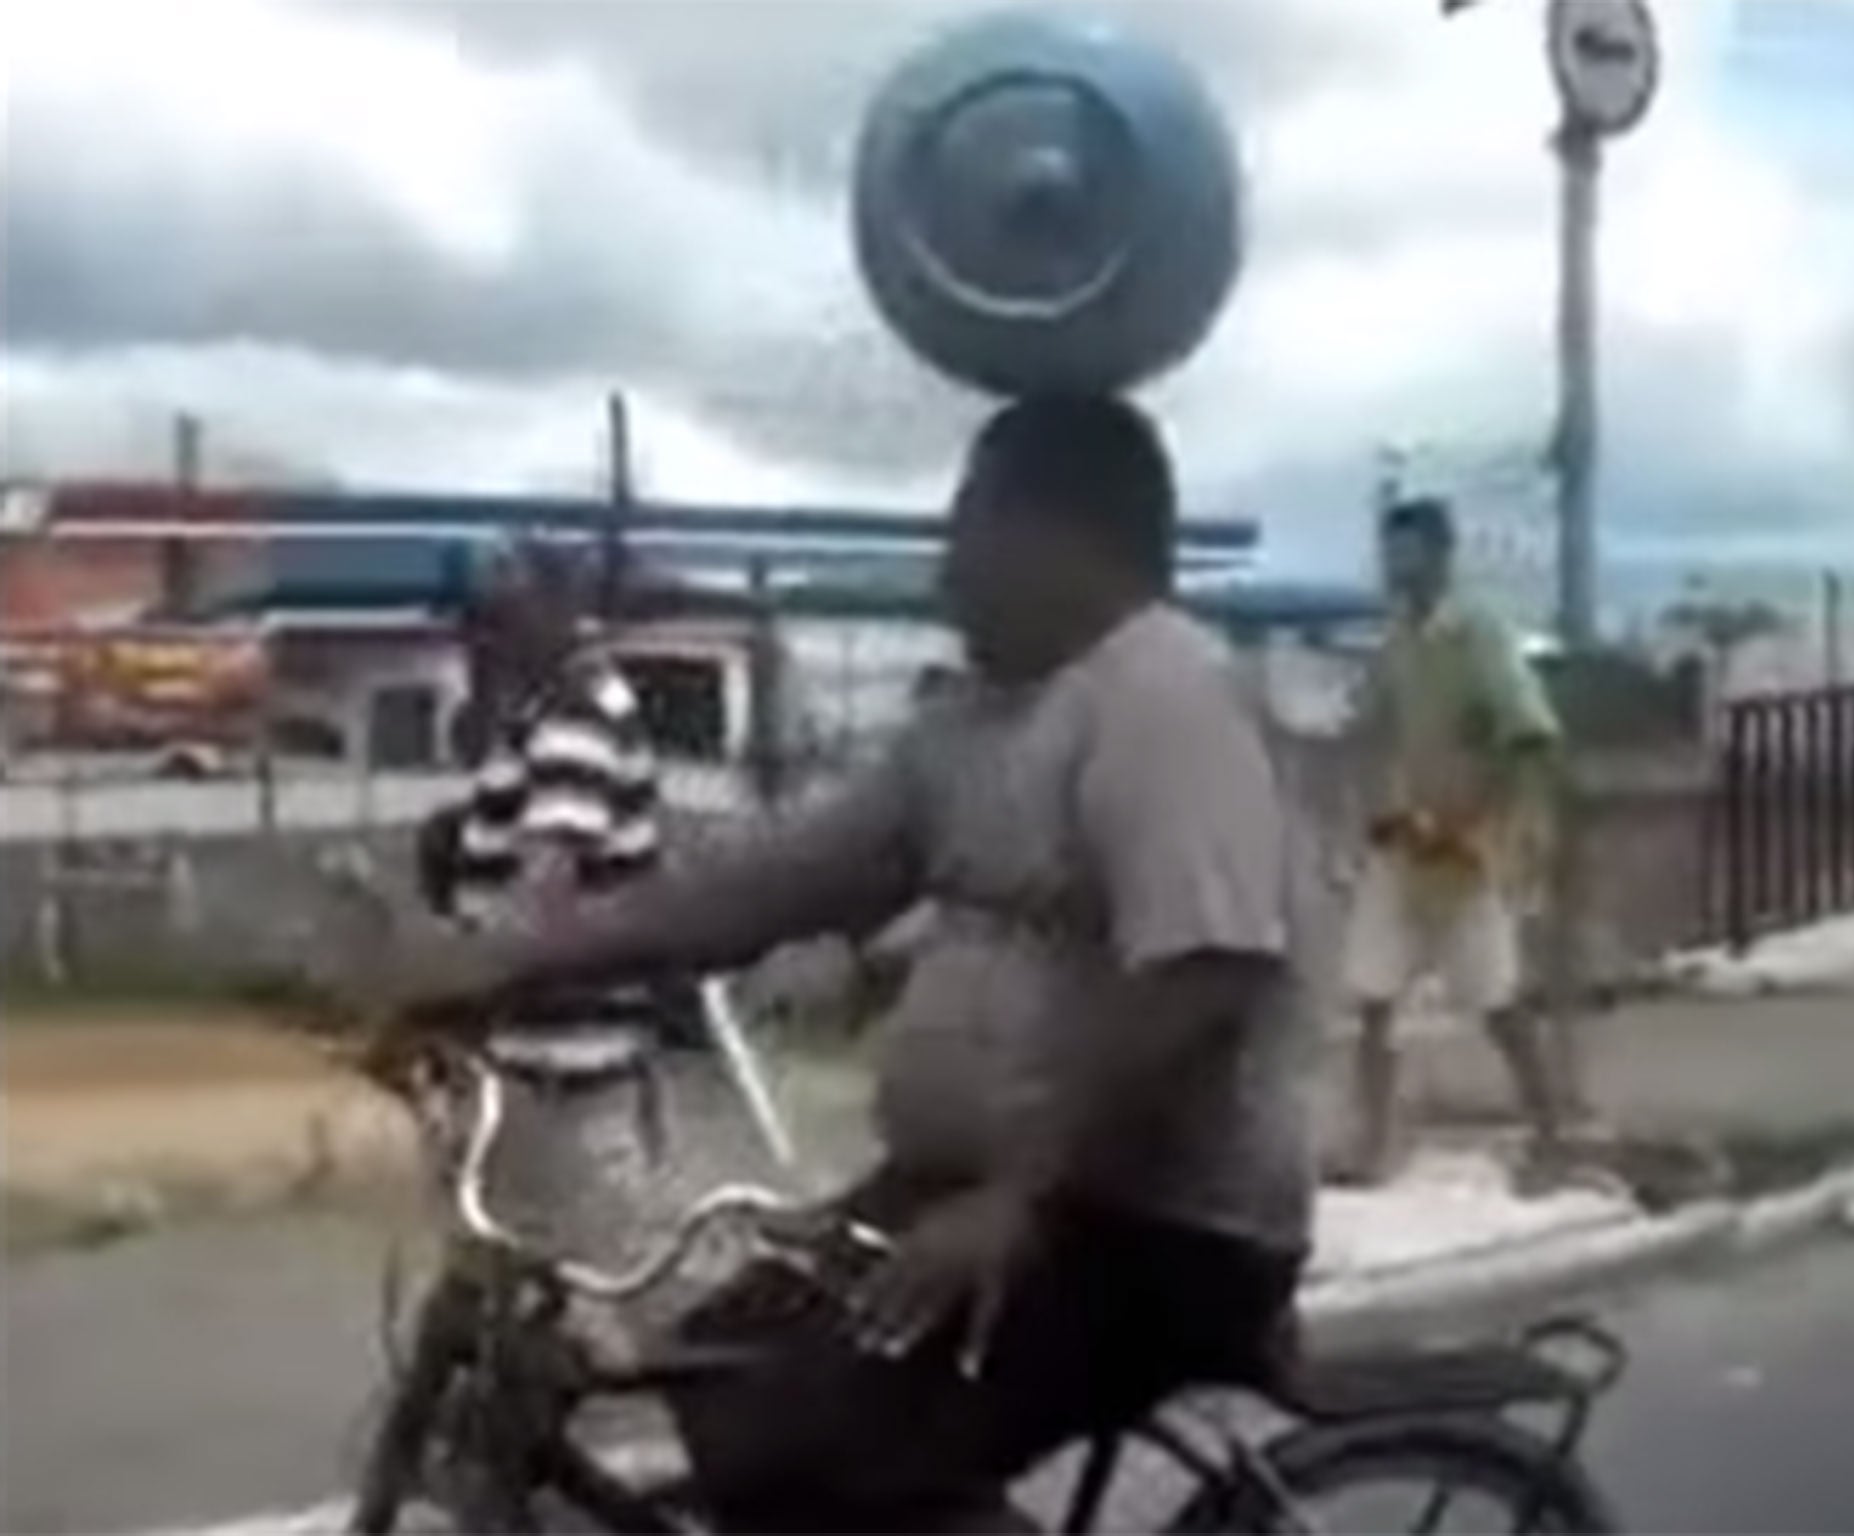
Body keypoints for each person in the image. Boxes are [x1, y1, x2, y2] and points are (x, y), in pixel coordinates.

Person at [347, 396, 1311, 1534]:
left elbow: (1205, 976)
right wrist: (499, 957)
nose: (945, 564)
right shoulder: (968, 727)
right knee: (718, 1371)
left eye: (966, 525)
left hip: (1149, 1221)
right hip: (980, 1190)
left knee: (830, 1444)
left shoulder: (1166, 695)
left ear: (1056, 532)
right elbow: (764, 886)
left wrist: (1018, 1199)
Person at [423, 536, 683, 1271]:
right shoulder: (546, 709)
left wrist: (437, 983)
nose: (480, 636)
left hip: (568, 1072)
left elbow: (544, 892)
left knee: (596, 1292)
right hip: (535, 1063)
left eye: (496, 617)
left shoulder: (575, 717)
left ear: (555, 607)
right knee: (499, 1284)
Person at [1341, 496, 1568, 1189]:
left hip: (1464, 854)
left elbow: (1529, 738)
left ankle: (1552, 1132)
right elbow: (1366, 723)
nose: (1391, 566)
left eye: (1404, 552)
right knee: (1373, 993)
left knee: (1496, 1000)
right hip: (1404, 843)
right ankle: (1372, 1144)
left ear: (1439, 555)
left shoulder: (1480, 637)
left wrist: (1492, 824)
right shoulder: (1396, 640)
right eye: (1388, 552)